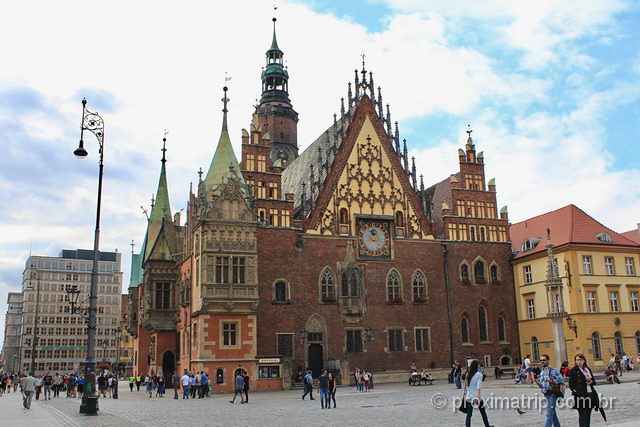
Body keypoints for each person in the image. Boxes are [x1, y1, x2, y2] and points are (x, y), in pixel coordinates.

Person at [535, 354, 564, 427]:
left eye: (544, 360)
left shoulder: (553, 370)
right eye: (541, 360)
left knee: (549, 413)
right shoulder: (542, 371)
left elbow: (561, 379)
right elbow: (543, 383)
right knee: (553, 413)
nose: (542, 362)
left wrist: (553, 380)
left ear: (548, 360)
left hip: (552, 394)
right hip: (546, 394)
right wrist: (540, 384)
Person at [569, 353, 596, 427]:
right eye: (577, 360)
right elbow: (571, 384)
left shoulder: (588, 369)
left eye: (580, 360)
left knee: (588, 414)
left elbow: (593, 381)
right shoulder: (573, 370)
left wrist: (591, 382)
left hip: (590, 394)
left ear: (584, 360)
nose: (578, 361)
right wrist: (575, 392)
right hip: (580, 395)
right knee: (582, 415)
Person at [464, 360, 493, 427]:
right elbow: (478, 388)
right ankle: (487, 425)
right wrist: (478, 398)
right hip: (476, 397)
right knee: (483, 413)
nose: (479, 365)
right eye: (478, 364)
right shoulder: (479, 375)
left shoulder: (468, 374)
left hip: (469, 396)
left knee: (469, 415)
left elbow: (467, 386)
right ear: (476, 366)